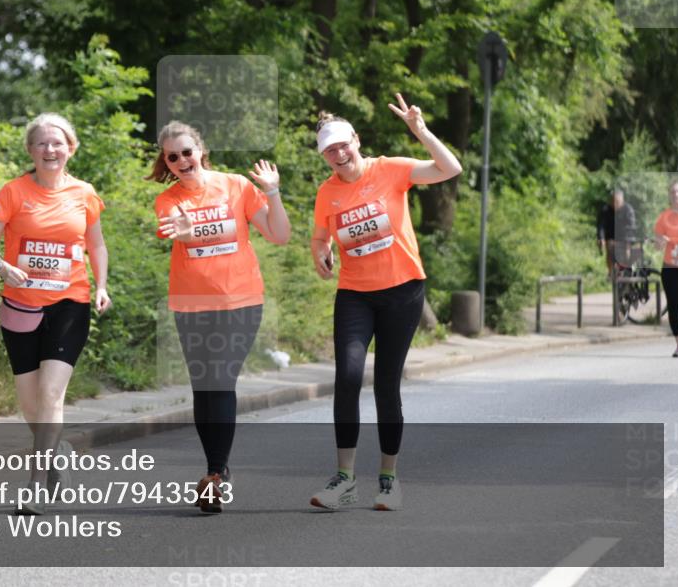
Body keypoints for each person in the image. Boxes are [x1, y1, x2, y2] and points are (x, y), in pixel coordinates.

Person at [309, 93, 462, 512]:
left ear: (356, 141)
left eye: (343, 144)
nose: (339, 154)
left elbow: (451, 168)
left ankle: (389, 480)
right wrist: (319, 252)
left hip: (402, 291)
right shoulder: (328, 194)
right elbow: (321, 235)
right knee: (348, 377)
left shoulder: (390, 170)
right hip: (354, 294)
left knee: (386, 385)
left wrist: (421, 131)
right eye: (329, 150)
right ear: (324, 156)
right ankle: (344, 479)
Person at [148, 121, 290, 514]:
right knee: (203, 387)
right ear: (167, 162)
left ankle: (214, 475)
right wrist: (185, 229)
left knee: (221, 379)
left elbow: (279, 235)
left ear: (201, 150)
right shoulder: (168, 200)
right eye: (172, 157)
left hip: (240, 301)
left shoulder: (236, 186)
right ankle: (218, 469)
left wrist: (272, 193)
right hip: (190, 304)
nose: (181, 161)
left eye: (187, 152)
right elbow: (176, 232)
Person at [0, 113, 111, 515]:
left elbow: (97, 246)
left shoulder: (85, 193)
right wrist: (2, 267)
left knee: (52, 393)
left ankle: (35, 483)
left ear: (71, 148)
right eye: (41, 144)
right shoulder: (13, 192)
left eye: (57, 143)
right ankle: (57, 452)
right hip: (20, 304)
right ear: (31, 151)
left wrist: (101, 286)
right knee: (31, 403)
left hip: (71, 302)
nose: (50, 150)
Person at [654, 179, 678, 358]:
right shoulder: (664, 218)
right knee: (674, 306)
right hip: (671, 269)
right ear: (669, 196)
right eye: (674, 192)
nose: (677, 195)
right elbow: (657, 245)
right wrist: (660, 242)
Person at [597, 189, 638, 279]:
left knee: (626, 249)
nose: (615, 204)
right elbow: (601, 226)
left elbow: (631, 227)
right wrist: (601, 238)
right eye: (612, 201)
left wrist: (624, 241)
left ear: (622, 200)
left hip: (625, 237)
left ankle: (627, 268)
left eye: (617, 202)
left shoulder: (628, 210)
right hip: (611, 237)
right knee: (609, 247)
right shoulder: (606, 210)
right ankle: (610, 271)